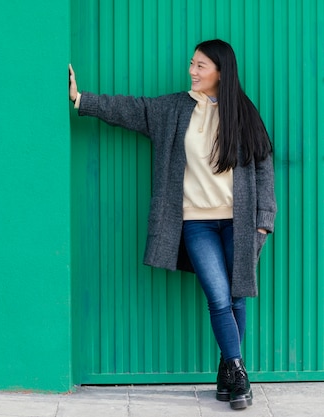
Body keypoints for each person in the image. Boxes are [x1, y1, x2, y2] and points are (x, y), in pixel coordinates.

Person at [69, 39, 276, 411]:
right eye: (191, 64)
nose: (192, 71)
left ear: (220, 72)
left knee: (236, 297)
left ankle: (226, 370)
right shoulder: (175, 108)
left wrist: (263, 222)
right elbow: (132, 109)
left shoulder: (244, 113)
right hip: (196, 223)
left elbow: (264, 166)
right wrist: (82, 99)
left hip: (238, 222)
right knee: (217, 296)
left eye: (200, 66)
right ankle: (239, 372)